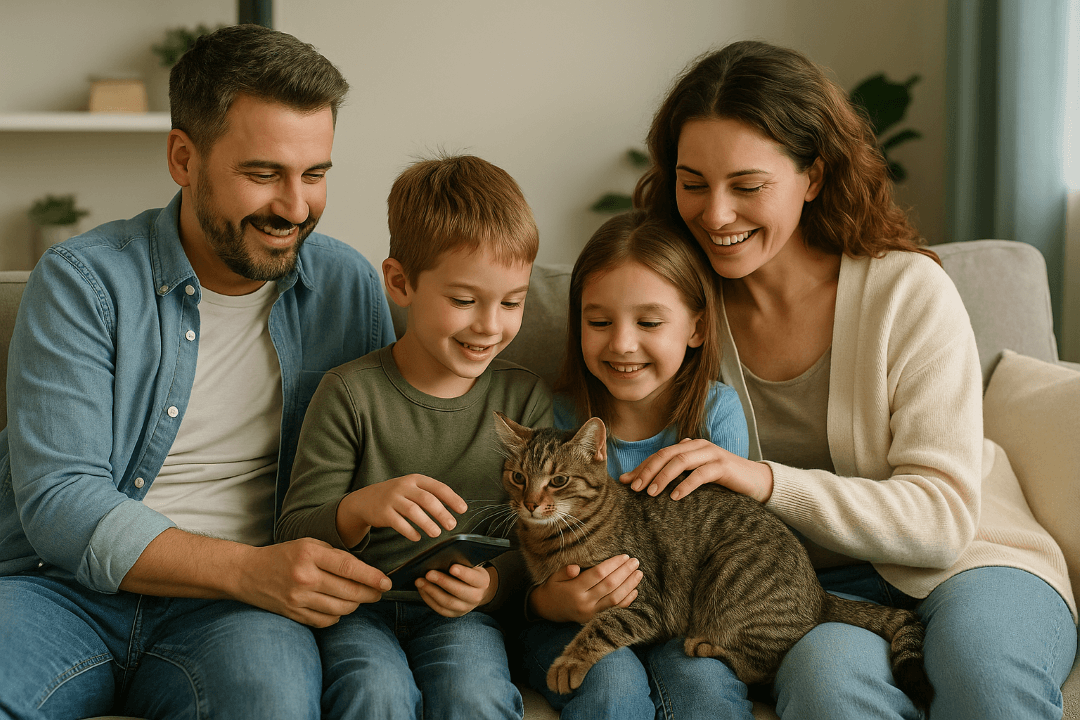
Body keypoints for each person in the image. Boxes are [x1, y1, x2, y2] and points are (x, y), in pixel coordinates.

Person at [626, 39, 1077, 718]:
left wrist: (766, 481)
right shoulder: (672, 310)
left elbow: (942, 521)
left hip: (973, 558)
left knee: (985, 680)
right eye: (693, 183)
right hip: (814, 591)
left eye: (747, 186)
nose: (715, 214)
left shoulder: (906, 291)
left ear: (814, 175)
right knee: (826, 686)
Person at [0, 24, 396, 720]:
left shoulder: (347, 287)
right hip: (59, 591)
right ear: (183, 158)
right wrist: (255, 572)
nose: (295, 208)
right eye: (263, 173)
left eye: (314, 175)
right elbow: (61, 501)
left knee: (269, 702)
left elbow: (390, 452)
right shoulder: (83, 282)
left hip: (239, 616)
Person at [277, 154, 553, 720]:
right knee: (374, 694)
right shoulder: (350, 393)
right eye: (463, 300)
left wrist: (492, 588)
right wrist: (361, 506)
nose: (490, 326)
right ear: (400, 283)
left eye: (512, 302)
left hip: (463, 616)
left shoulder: (523, 401)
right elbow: (294, 528)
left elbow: (542, 543)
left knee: (476, 695)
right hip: (358, 609)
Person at [521, 209, 751, 719]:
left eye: (648, 322)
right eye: (599, 322)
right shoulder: (555, 417)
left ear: (695, 327)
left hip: (681, 616)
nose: (622, 343)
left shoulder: (715, 413)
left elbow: (732, 538)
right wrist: (549, 603)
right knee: (611, 686)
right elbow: (522, 548)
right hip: (570, 622)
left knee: (705, 691)